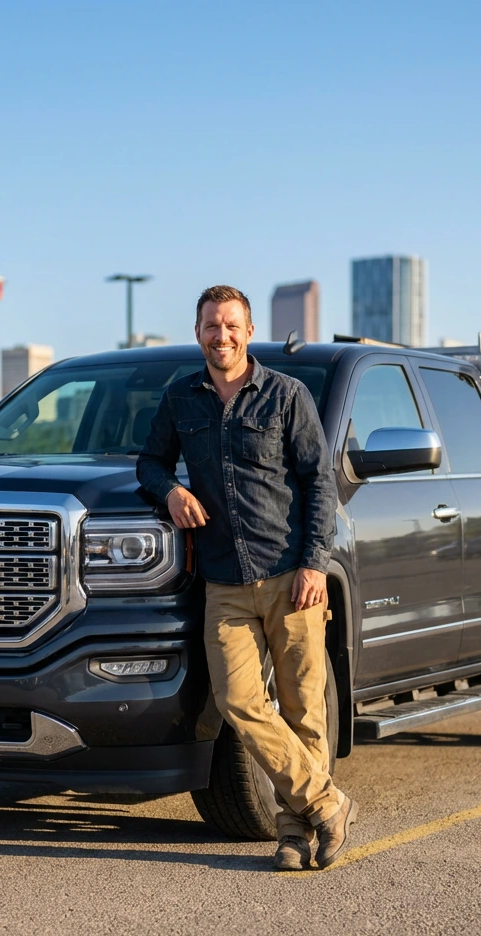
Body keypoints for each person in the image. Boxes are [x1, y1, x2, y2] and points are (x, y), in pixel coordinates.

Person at [137, 284, 357, 871]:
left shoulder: (287, 396)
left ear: (248, 330)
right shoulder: (181, 398)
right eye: (211, 325)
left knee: (303, 710)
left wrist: (314, 562)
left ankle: (293, 834)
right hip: (224, 584)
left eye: (231, 325)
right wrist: (171, 490)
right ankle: (328, 804)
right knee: (239, 700)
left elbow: (319, 483)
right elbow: (149, 461)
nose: (221, 335)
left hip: (290, 575)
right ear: (198, 332)